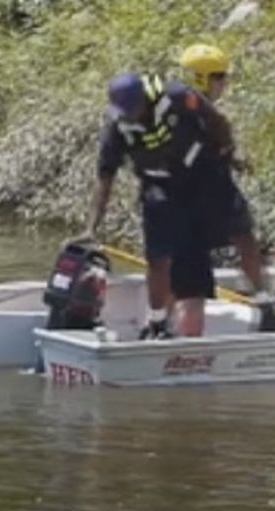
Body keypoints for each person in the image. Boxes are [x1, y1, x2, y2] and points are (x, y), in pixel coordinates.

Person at [79, 71, 220, 339]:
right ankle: (157, 323)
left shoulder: (176, 99)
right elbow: (105, 176)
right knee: (158, 261)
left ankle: (189, 347)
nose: (130, 115)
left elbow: (215, 124)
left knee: (193, 278)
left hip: (196, 192)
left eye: (134, 109)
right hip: (158, 194)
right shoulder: (118, 124)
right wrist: (91, 228)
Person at [172, 42, 275, 336]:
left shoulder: (172, 108)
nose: (225, 83)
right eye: (220, 76)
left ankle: (164, 322)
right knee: (246, 242)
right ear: (202, 78)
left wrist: (233, 160)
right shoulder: (199, 112)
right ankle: (265, 305)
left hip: (183, 199)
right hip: (212, 193)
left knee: (187, 262)